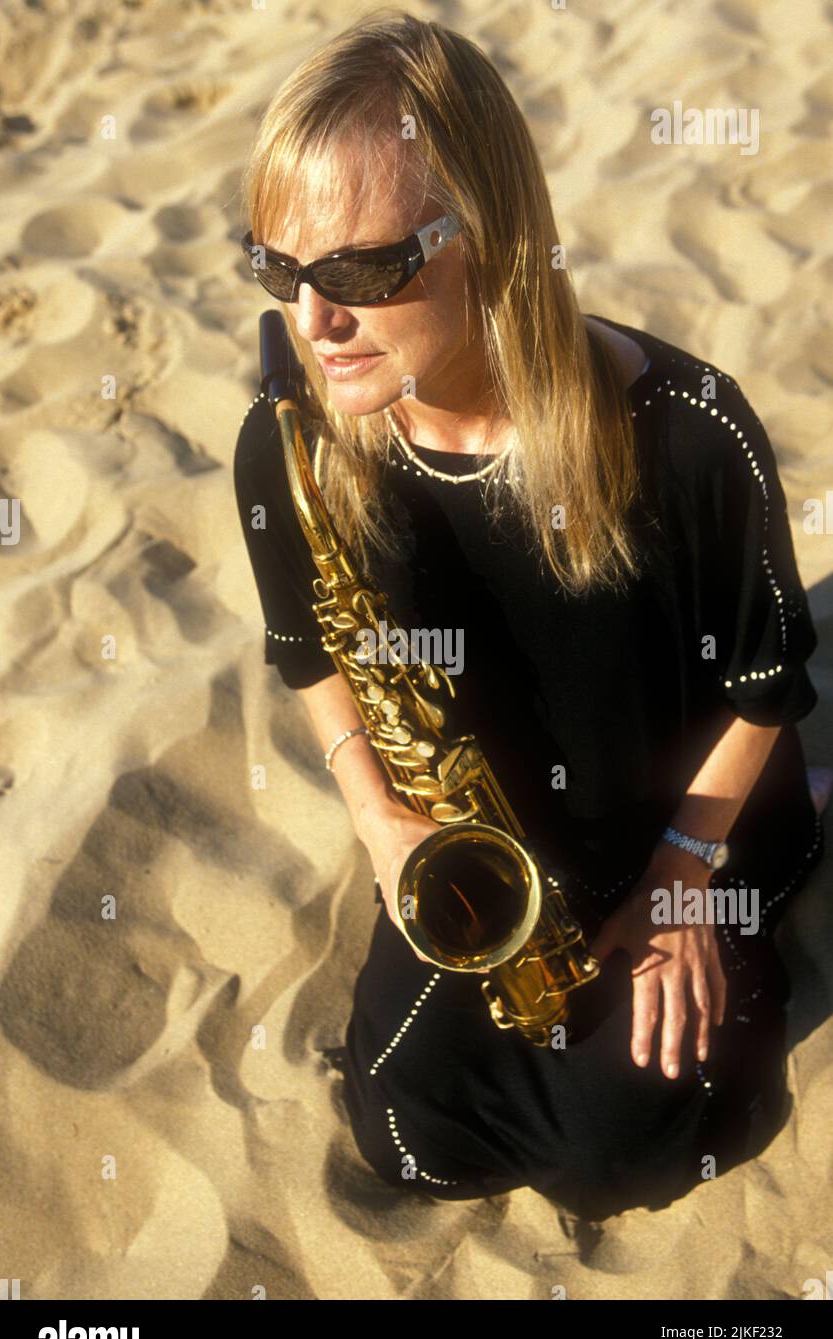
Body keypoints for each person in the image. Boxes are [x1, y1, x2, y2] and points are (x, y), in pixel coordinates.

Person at [233, 12, 826, 1219]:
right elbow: (304, 650)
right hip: (489, 852)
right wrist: (379, 822)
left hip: (682, 824)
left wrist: (681, 876)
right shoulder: (291, 443)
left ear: (489, 241)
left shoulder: (691, 435)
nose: (312, 322)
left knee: (621, 1153)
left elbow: (764, 684)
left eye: (356, 272)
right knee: (405, 1122)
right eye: (275, 270)